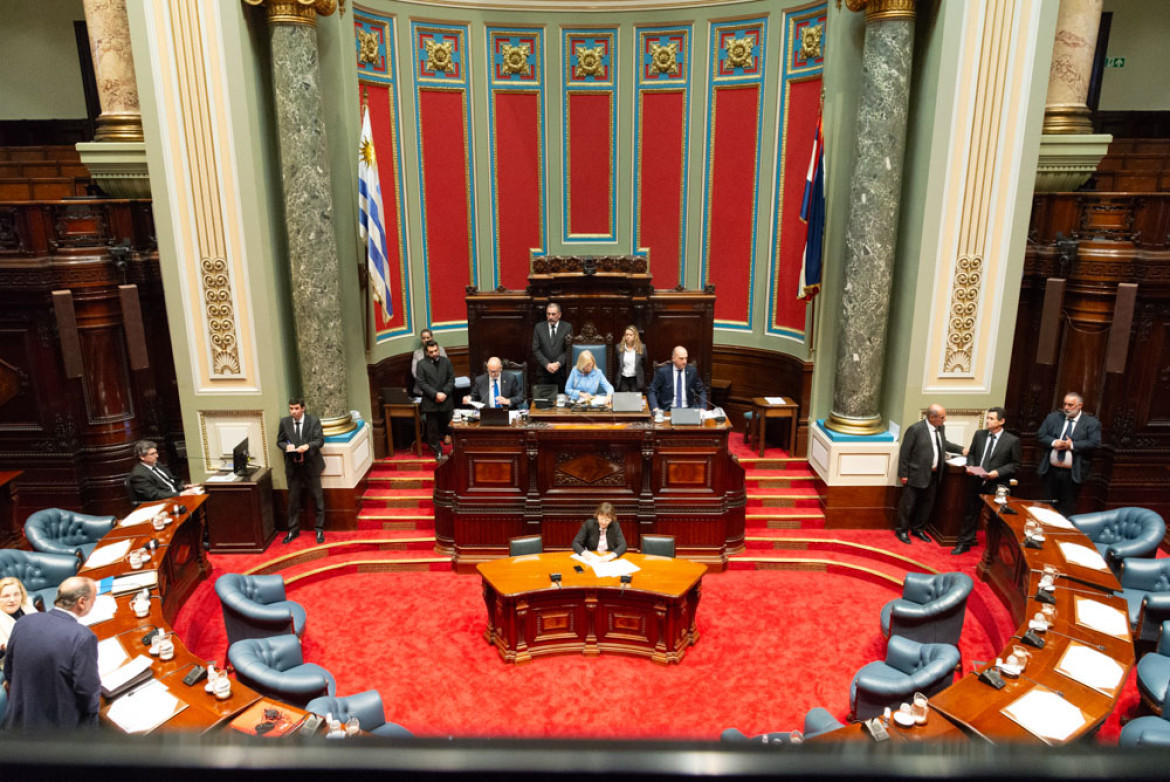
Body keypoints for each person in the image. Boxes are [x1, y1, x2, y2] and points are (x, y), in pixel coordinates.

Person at [3, 576, 100, 730]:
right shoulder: (83, 637)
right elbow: (87, 691)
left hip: (18, 723)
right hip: (59, 735)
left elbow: (9, 671)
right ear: (81, 602)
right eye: (94, 599)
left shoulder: (24, 622)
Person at [952, 407, 1022, 555]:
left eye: (992, 418)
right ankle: (964, 543)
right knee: (970, 513)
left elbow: (1015, 464)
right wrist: (970, 465)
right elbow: (972, 454)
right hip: (976, 479)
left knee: (994, 517)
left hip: (996, 483)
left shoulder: (1012, 441)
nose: (988, 421)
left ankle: (994, 549)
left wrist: (997, 472)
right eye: (988, 418)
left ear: (1001, 421)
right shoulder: (980, 435)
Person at [895, 404, 964, 545]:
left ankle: (918, 529)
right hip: (915, 474)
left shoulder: (940, 428)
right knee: (908, 505)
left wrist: (962, 449)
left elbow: (944, 443)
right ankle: (902, 530)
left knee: (927, 505)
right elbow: (905, 453)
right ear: (932, 417)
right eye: (942, 417)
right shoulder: (916, 429)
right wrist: (903, 475)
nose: (945, 420)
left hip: (933, 475)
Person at [1035, 391, 1102, 517]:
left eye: (1070, 405)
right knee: (1046, 505)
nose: (1066, 408)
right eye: (1065, 404)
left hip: (1073, 473)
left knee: (1067, 507)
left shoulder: (1091, 423)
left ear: (1080, 406)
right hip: (1050, 471)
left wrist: (1071, 445)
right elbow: (1040, 435)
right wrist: (1054, 442)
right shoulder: (1053, 418)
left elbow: (1095, 443)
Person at [277, 397, 326, 544]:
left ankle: (319, 529)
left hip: (311, 465)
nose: (293, 412)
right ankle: (293, 530)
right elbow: (279, 441)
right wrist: (286, 447)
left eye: (296, 408)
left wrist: (307, 446)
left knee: (317, 498)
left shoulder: (313, 420)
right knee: (293, 500)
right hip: (293, 467)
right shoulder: (284, 422)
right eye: (291, 408)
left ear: (303, 408)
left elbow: (320, 440)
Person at [416, 340, 455, 460]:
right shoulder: (421, 364)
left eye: (436, 350)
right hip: (430, 402)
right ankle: (437, 450)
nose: (434, 354)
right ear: (427, 353)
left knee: (452, 426)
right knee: (433, 429)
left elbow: (451, 379)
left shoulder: (446, 361)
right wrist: (435, 394)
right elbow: (422, 383)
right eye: (431, 352)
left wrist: (444, 393)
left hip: (446, 400)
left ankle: (455, 449)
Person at [128, 439, 199, 502]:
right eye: (152, 454)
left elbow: (170, 480)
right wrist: (180, 494)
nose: (157, 456)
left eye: (156, 453)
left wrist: (184, 487)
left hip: (175, 496)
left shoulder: (156, 464)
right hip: (164, 502)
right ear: (142, 457)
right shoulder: (138, 475)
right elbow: (154, 495)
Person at [647, 345, 707, 413]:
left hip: (689, 410)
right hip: (668, 410)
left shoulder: (692, 371)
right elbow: (652, 390)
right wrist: (655, 407)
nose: (685, 362)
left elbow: (701, 391)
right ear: (673, 359)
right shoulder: (663, 372)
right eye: (681, 358)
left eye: (686, 358)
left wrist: (703, 408)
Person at [532, 302, 572, 391]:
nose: (550, 317)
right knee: (543, 402)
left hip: (560, 373)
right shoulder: (539, 327)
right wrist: (547, 364)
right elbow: (536, 349)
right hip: (543, 373)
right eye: (548, 314)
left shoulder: (567, 327)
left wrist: (558, 363)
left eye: (553, 314)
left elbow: (569, 349)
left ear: (559, 315)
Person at [0, 577, 34, 660]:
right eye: (6, 596)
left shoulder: (27, 606)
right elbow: (4, 644)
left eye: (16, 594)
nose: (12, 600)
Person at [409, 328, 447, 397]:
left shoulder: (440, 350)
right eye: (423, 338)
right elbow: (415, 372)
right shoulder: (417, 353)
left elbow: (445, 368)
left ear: (432, 338)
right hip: (422, 390)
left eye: (428, 337)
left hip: (439, 388)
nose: (426, 340)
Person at [615, 325, 646, 393]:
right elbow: (616, 365)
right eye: (626, 335)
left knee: (634, 401)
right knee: (624, 400)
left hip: (635, 379)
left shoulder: (642, 348)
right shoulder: (619, 348)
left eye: (630, 335)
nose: (628, 337)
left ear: (635, 336)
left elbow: (645, 364)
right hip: (623, 378)